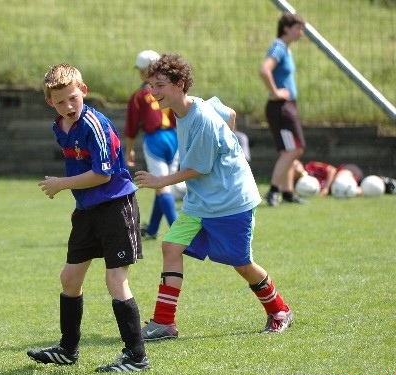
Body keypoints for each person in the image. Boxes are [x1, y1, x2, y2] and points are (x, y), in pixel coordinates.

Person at [134, 53, 294, 341]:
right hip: (201, 201)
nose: (153, 92)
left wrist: (160, 181)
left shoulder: (202, 118)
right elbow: (230, 113)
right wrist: (228, 145)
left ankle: (279, 310)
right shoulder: (193, 107)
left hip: (230, 201)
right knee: (171, 246)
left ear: (179, 84)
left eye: (159, 85)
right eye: (151, 85)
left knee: (241, 264)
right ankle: (164, 322)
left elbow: (200, 168)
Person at [26, 63, 150, 372]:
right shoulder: (61, 127)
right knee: (69, 278)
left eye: (73, 98)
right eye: (60, 102)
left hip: (115, 207)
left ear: (83, 91)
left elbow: (103, 174)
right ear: (49, 102)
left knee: (115, 279)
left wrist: (61, 184)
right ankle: (68, 350)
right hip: (88, 211)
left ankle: (137, 357)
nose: (68, 106)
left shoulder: (94, 125)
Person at [124, 50, 179, 240]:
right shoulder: (169, 91)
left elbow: (131, 127)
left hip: (155, 140)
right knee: (163, 183)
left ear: (142, 71)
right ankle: (153, 229)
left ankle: (178, 231)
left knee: (162, 186)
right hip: (173, 138)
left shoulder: (139, 95)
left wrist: (129, 150)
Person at [259, 12, 307, 206]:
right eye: (298, 28)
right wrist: (276, 92)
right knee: (294, 150)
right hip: (281, 108)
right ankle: (273, 190)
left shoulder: (286, 48)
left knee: (289, 150)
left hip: (287, 106)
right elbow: (264, 70)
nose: (301, 33)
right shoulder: (278, 47)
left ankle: (288, 192)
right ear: (286, 28)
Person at [293, 159, 363, 195]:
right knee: (341, 191)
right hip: (336, 189)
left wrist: (326, 188)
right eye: (292, 168)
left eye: (296, 165)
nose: (296, 169)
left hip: (345, 170)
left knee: (340, 182)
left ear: (301, 163)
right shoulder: (297, 186)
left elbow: (332, 170)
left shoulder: (310, 166)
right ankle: (365, 190)